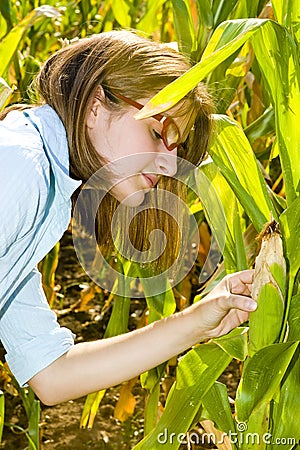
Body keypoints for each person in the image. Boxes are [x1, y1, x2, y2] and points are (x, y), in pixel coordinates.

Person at [0, 30, 256, 406]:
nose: (169, 163)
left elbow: (51, 375)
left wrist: (199, 320)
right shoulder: (21, 166)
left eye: (177, 146)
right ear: (94, 107)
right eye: (157, 132)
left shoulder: (43, 184)